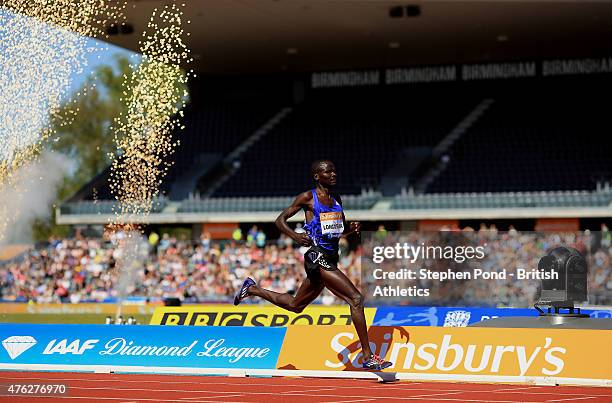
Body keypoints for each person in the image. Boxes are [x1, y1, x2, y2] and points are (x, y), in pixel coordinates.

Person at [234, 160, 392, 371]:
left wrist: (349, 230)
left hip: (330, 256)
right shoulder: (308, 198)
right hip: (316, 257)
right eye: (328, 171)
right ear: (317, 176)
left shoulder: (336, 199)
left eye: (335, 170)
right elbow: (280, 220)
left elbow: (335, 231)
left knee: (295, 306)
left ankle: (252, 288)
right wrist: (295, 236)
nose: (334, 173)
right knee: (355, 298)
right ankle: (367, 357)